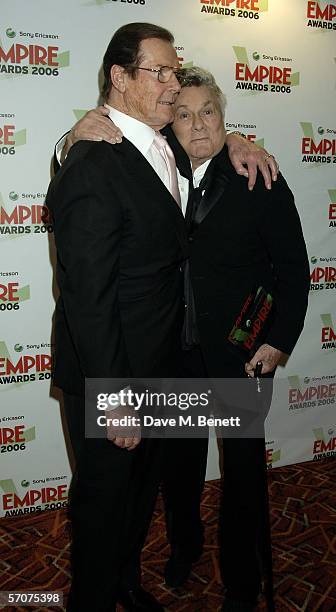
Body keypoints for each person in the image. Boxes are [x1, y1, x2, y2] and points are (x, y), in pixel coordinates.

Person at [63, 65, 310, 611]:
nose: (198, 125)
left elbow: (294, 266)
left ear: (226, 117)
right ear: (168, 124)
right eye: (183, 113)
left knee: (243, 473)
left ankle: (243, 583)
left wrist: (279, 338)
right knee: (180, 467)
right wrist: (77, 132)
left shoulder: (257, 173)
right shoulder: (158, 168)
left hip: (243, 356)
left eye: (210, 112)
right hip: (175, 354)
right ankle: (185, 548)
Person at [47, 22, 188, 612]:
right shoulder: (91, 160)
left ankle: (126, 583)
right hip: (115, 375)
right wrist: (115, 394)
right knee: (103, 509)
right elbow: (87, 295)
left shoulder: (168, 143)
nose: (174, 85)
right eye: (160, 72)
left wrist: (238, 143)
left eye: (176, 71)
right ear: (120, 78)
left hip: (161, 364)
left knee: (138, 498)